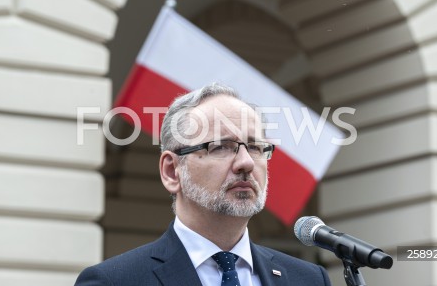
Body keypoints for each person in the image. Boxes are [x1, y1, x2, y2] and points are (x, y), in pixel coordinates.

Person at [75, 83, 331, 286]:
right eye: (220, 147)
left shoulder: (309, 280)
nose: (246, 163)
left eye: (255, 147)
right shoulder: (114, 281)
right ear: (172, 171)